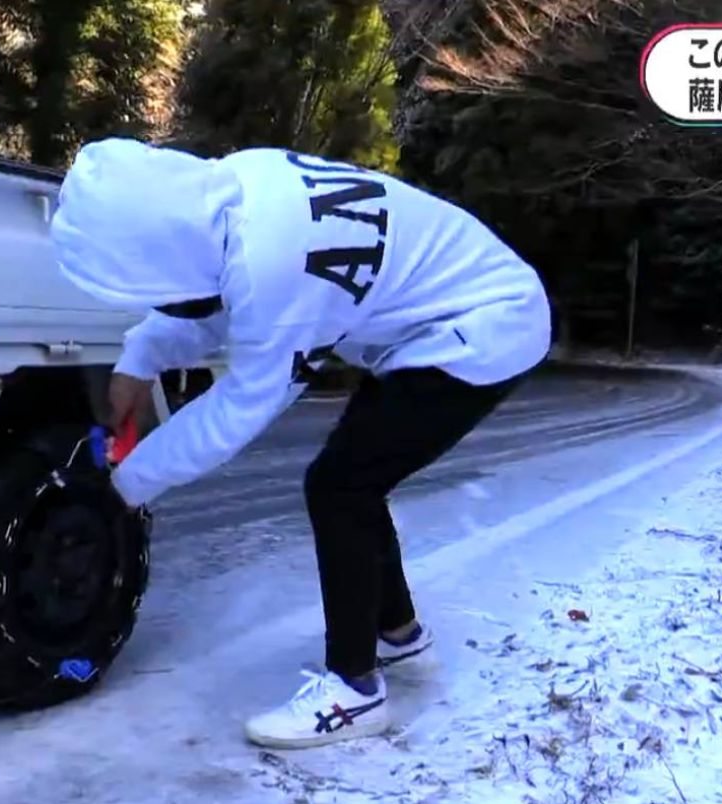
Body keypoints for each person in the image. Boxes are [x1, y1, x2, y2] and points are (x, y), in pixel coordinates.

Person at [49, 138, 552, 749]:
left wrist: (128, 483)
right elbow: (217, 295)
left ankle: (355, 690)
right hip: (447, 311)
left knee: (341, 486)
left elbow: (239, 407)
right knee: (357, 479)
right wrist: (140, 359)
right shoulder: (242, 183)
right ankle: (401, 637)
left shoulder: (277, 269)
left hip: (485, 327)